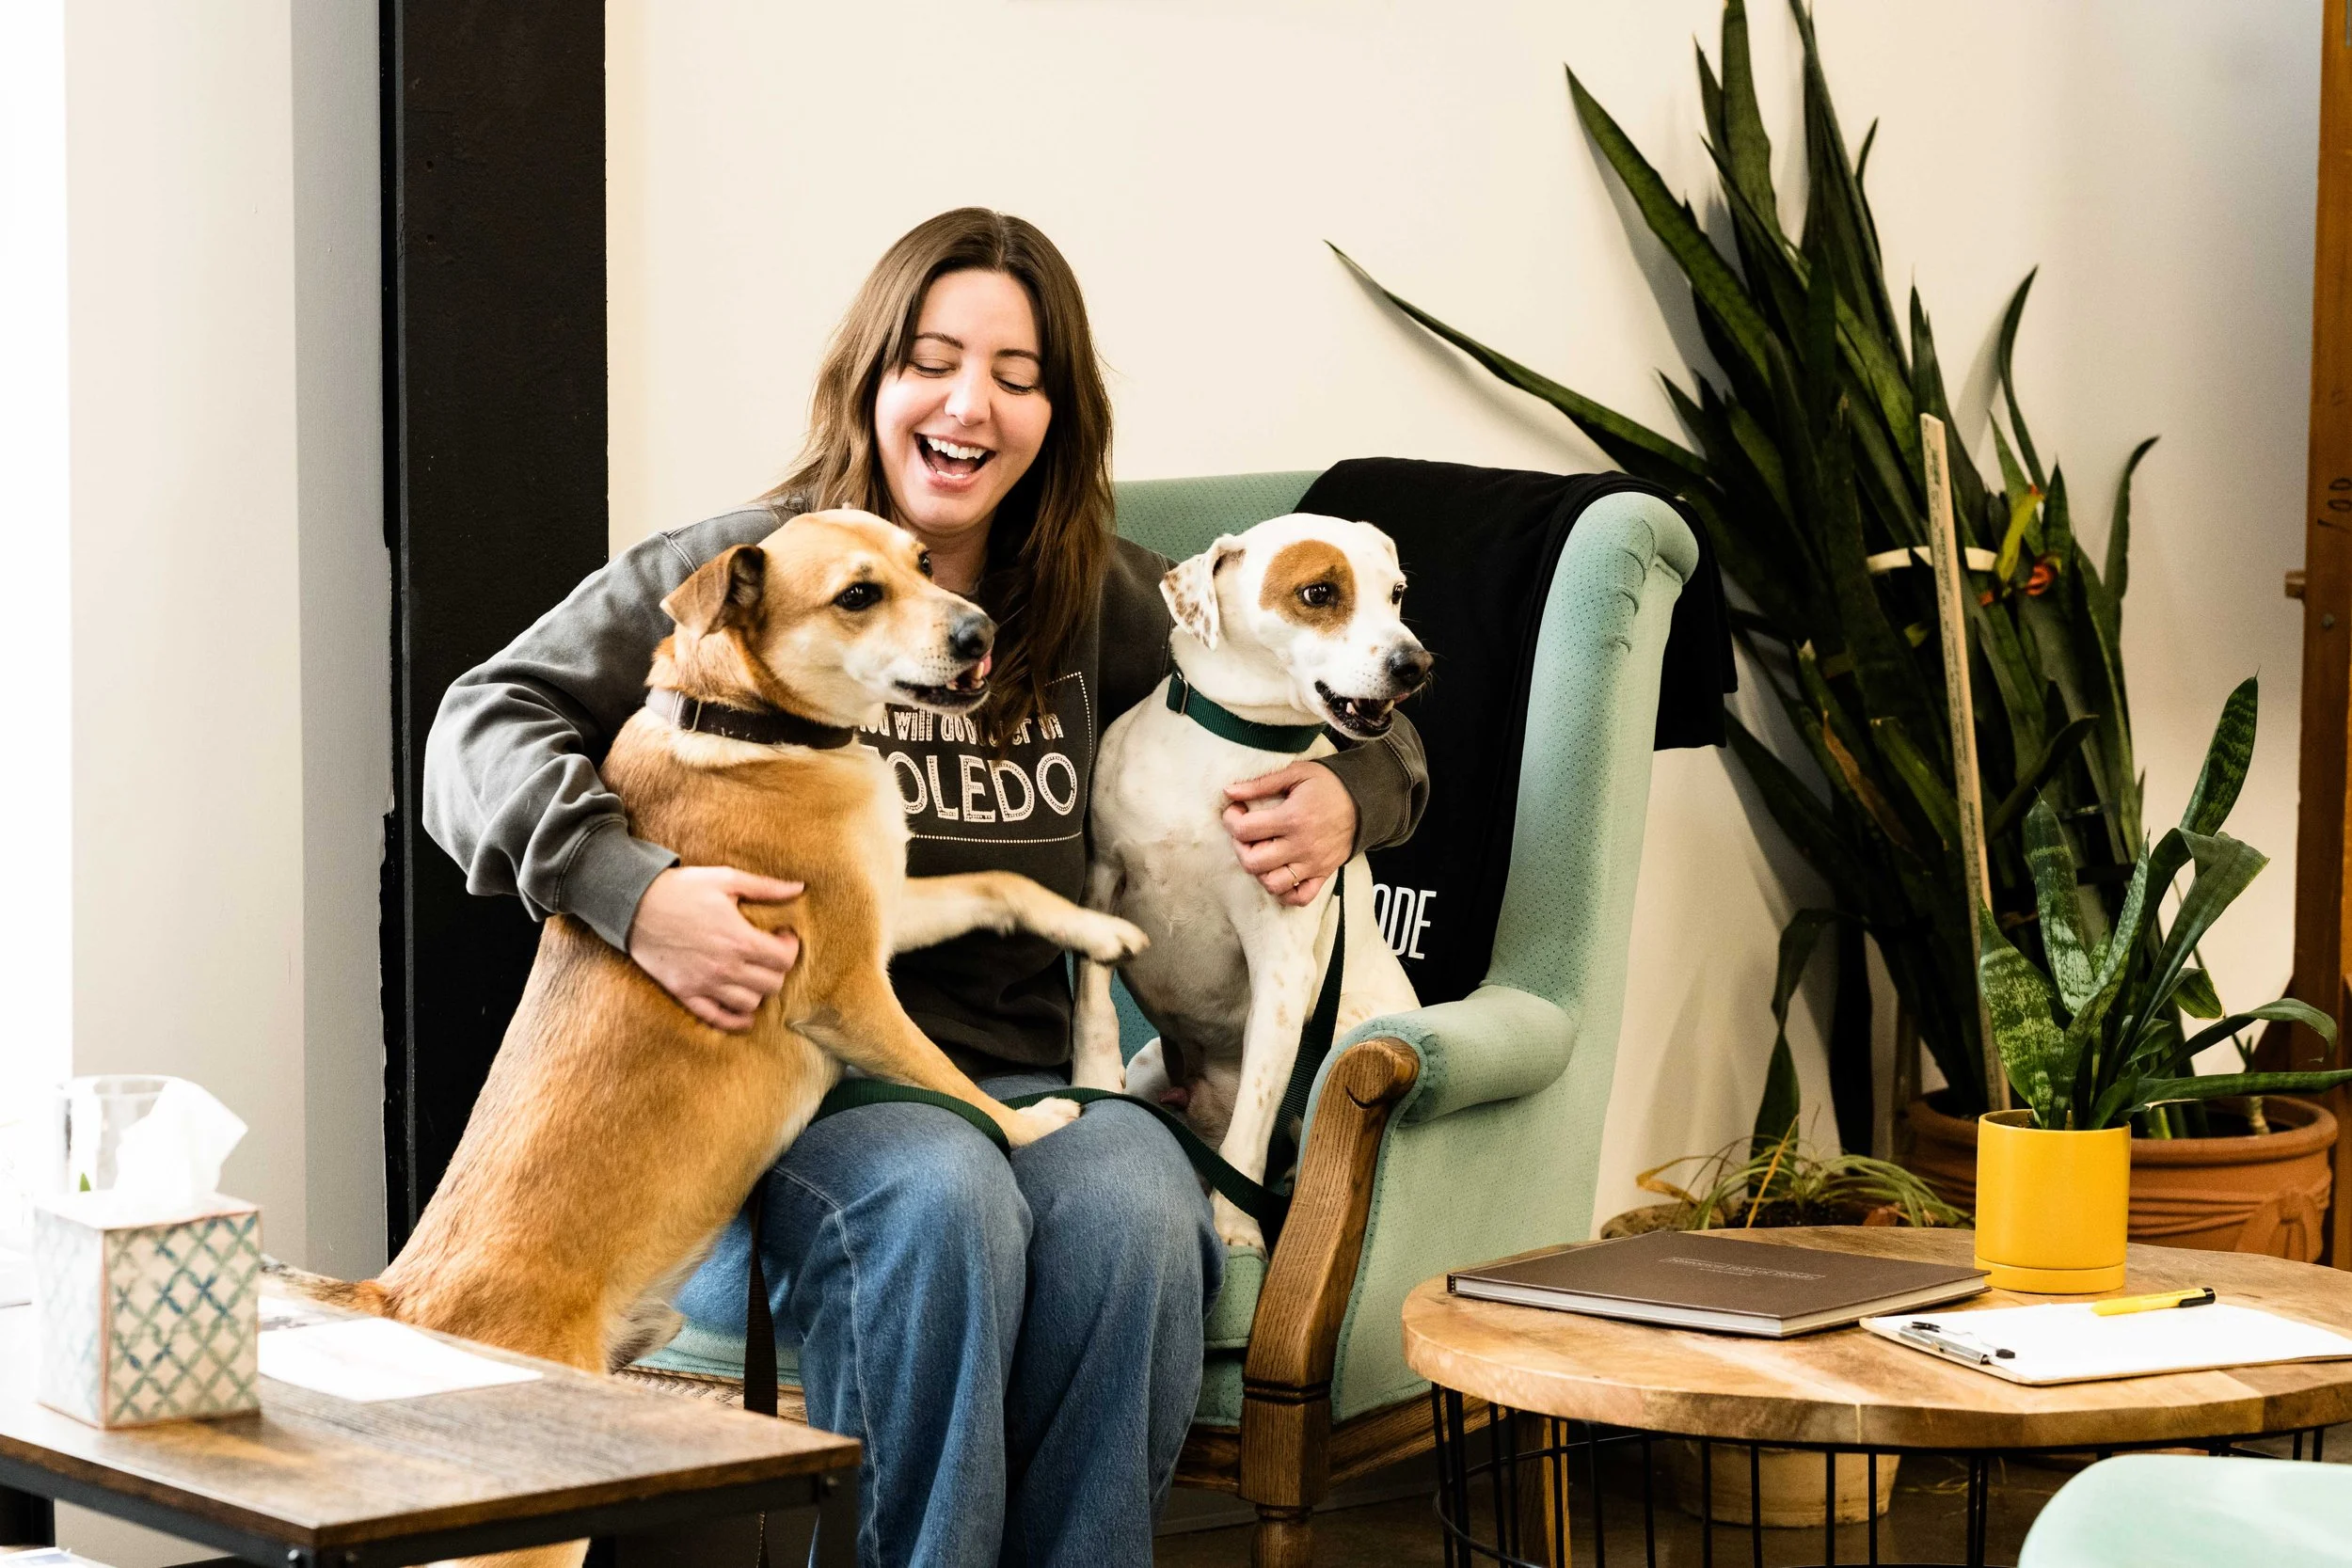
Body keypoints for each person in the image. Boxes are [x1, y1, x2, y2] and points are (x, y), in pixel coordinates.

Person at [422, 207, 1427, 1568]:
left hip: (1021, 1079)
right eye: (934, 360)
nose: (972, 404)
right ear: (871, 381)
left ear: (1056, 418)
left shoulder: (1093, 600)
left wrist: (1347, 793)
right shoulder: (749, 571)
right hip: (788, 1108)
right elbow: (480, 722)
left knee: (1138, 1210)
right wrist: (632, 888)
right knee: (945, 1196)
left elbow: (1373, 718)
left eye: (1020, 377)